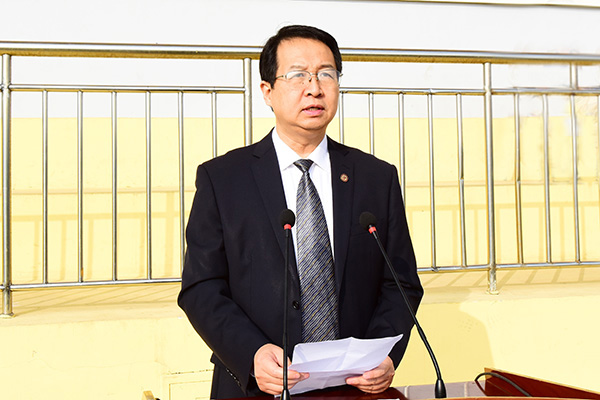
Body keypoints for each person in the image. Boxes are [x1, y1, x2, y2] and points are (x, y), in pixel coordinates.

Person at [178, 25, 423, 399]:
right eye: (297, 75)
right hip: (256, 386)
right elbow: (201, 287)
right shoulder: (223, 179)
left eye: (326, 74)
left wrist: (384, 355)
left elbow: (400, 282)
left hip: (353, 387)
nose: (314, 88)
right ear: (267, 91)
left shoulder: (375, 177)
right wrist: (252, 354)